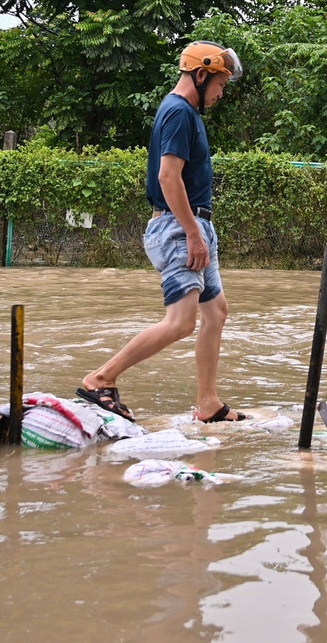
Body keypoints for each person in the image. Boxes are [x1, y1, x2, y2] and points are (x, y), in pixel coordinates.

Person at [76, 41, 245, 424]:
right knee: (181, 322)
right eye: (220, 84)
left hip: (194, 225)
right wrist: (192, 233)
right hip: (179, 227)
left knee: (216, 313)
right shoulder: (178, 112)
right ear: (201, 75)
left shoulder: (185, 113)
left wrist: (199, 231)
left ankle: (208, 403)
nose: (221, 94)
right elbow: (168, 177)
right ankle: (100, 379)